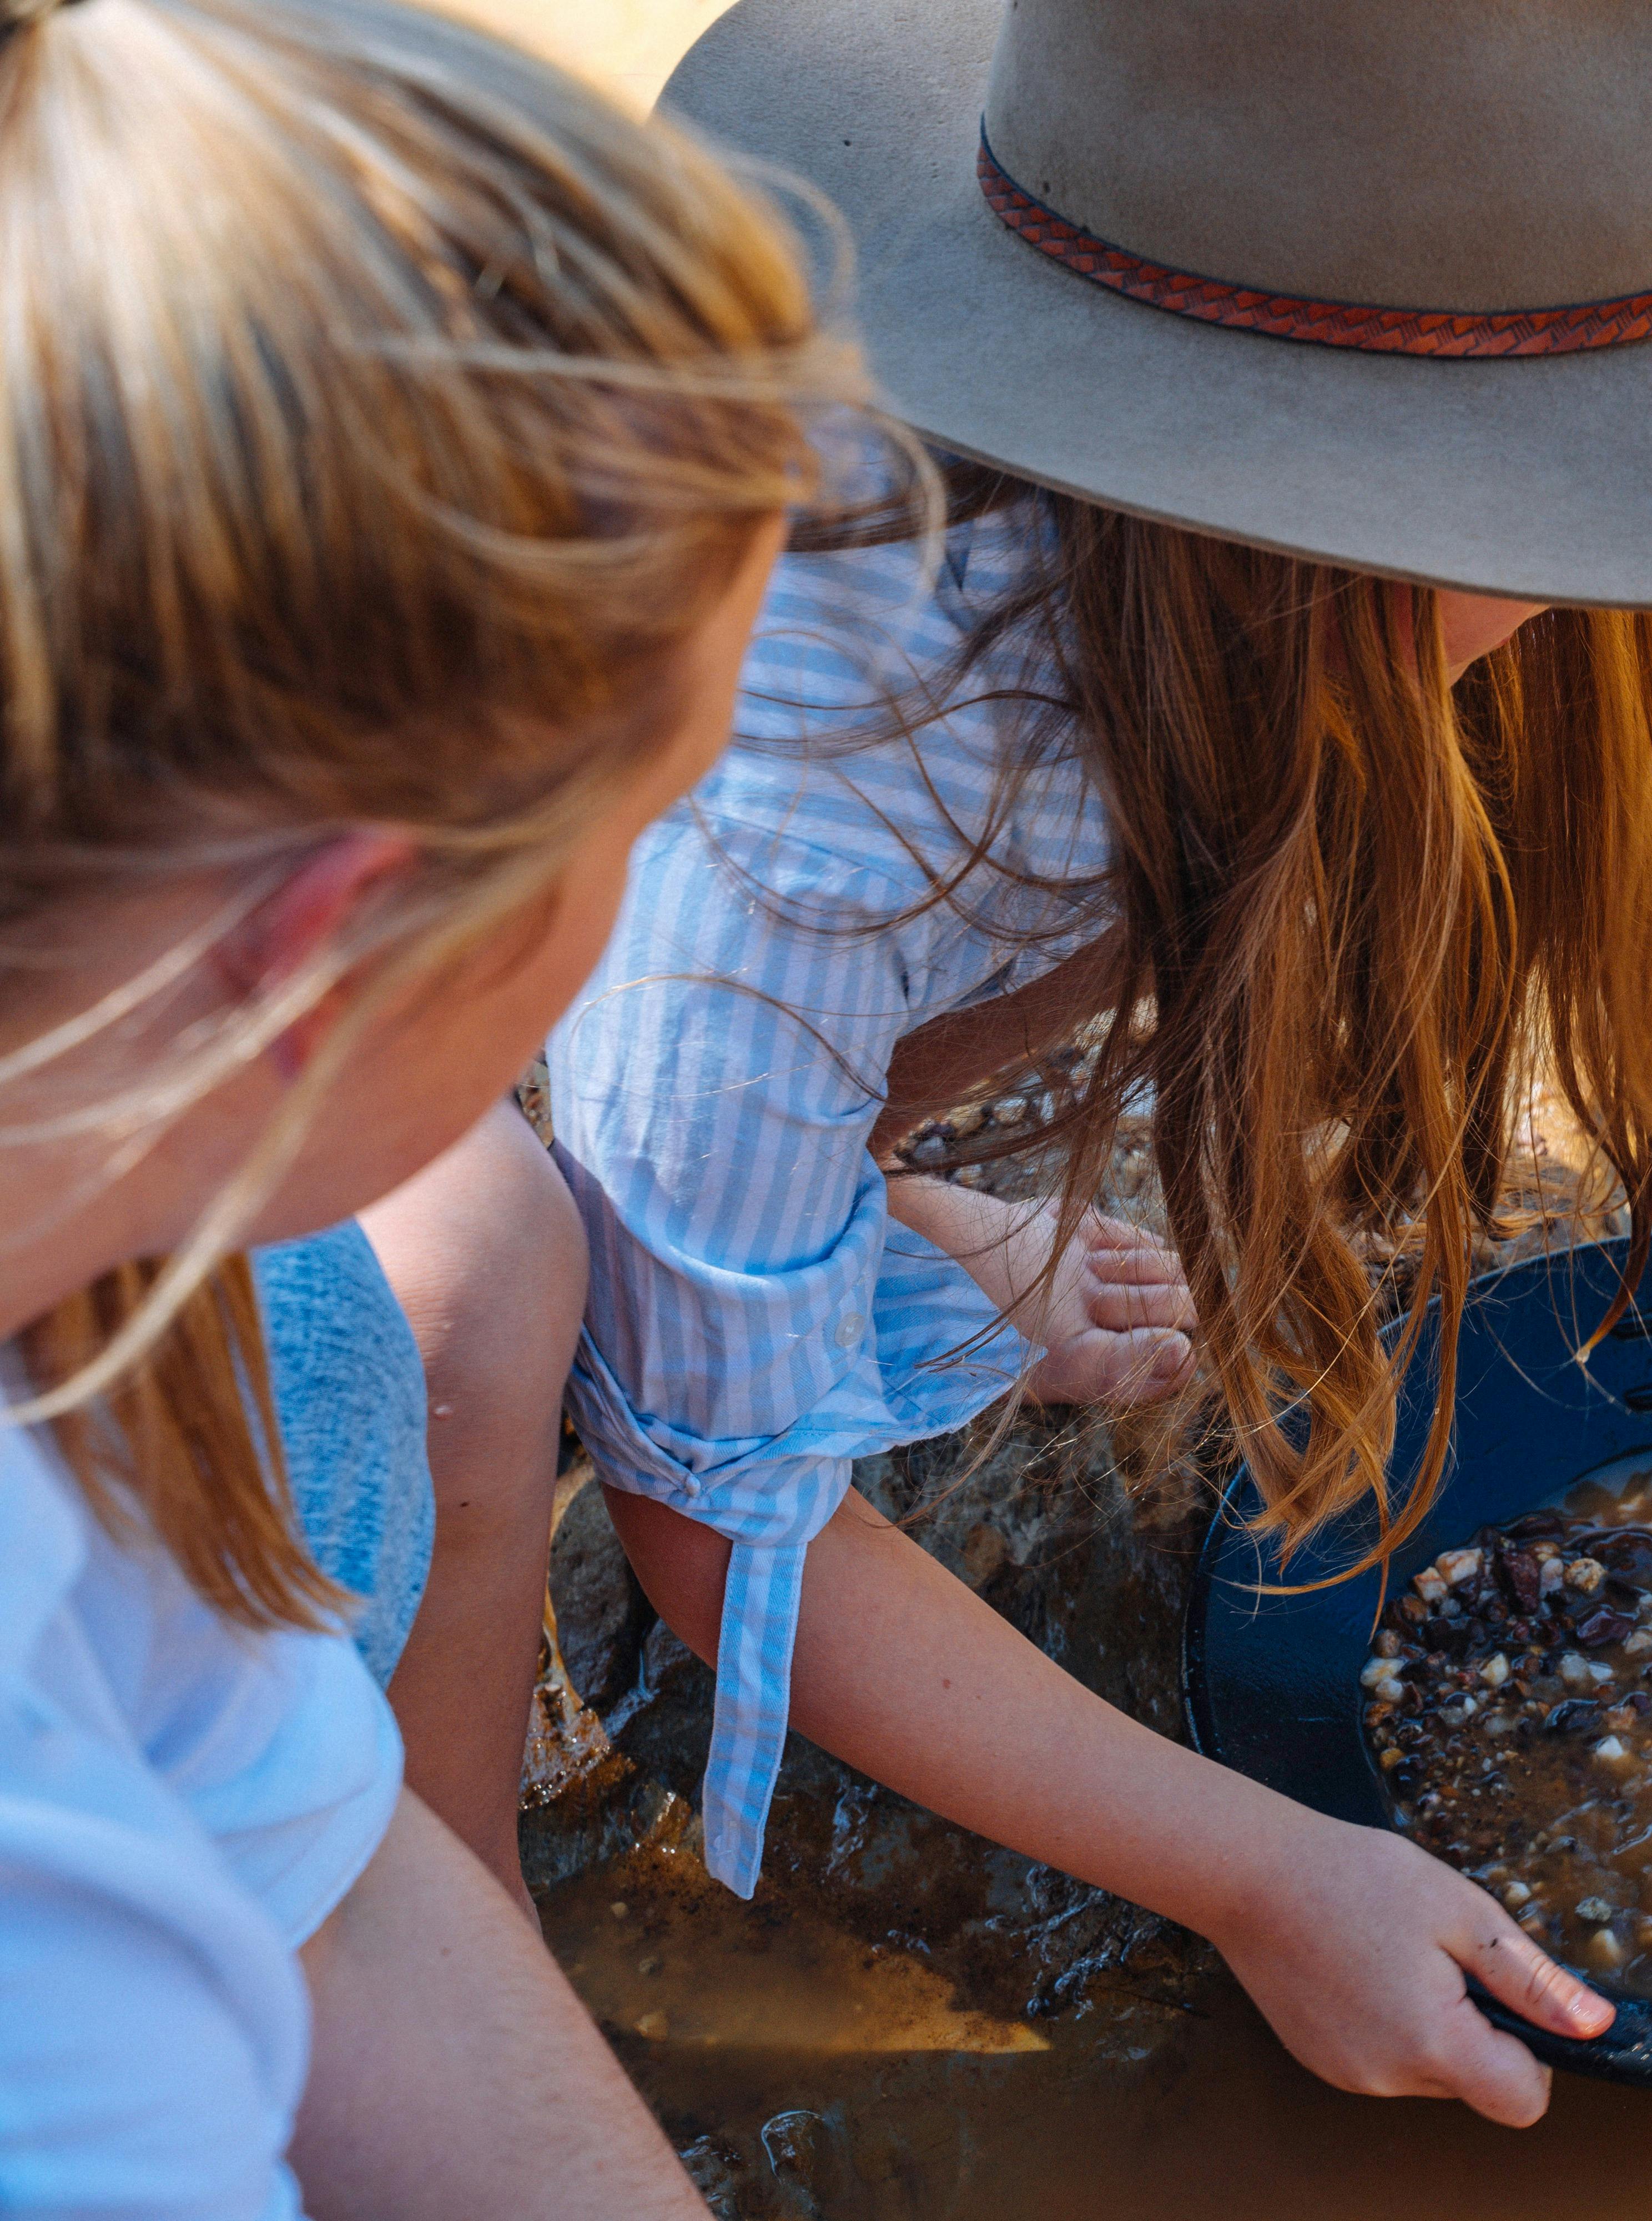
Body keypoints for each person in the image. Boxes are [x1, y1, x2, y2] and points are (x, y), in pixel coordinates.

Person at [516, 0, 1652, 2128]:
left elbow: (1614, 777)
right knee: (480, 1304)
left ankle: (831, 1203)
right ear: (1336, 518)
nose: (1647, 565)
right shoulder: (799, 824)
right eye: (1614, 506)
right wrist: (1262, 1875)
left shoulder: (1330, 558)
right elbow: (723, 1524)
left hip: (709, 999)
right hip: (300, 1104)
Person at [0, 0, 840, 2205]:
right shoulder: (46, 1964)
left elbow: (324, 1869)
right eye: (646, 815)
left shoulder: (94, 1310)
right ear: (338, 936)